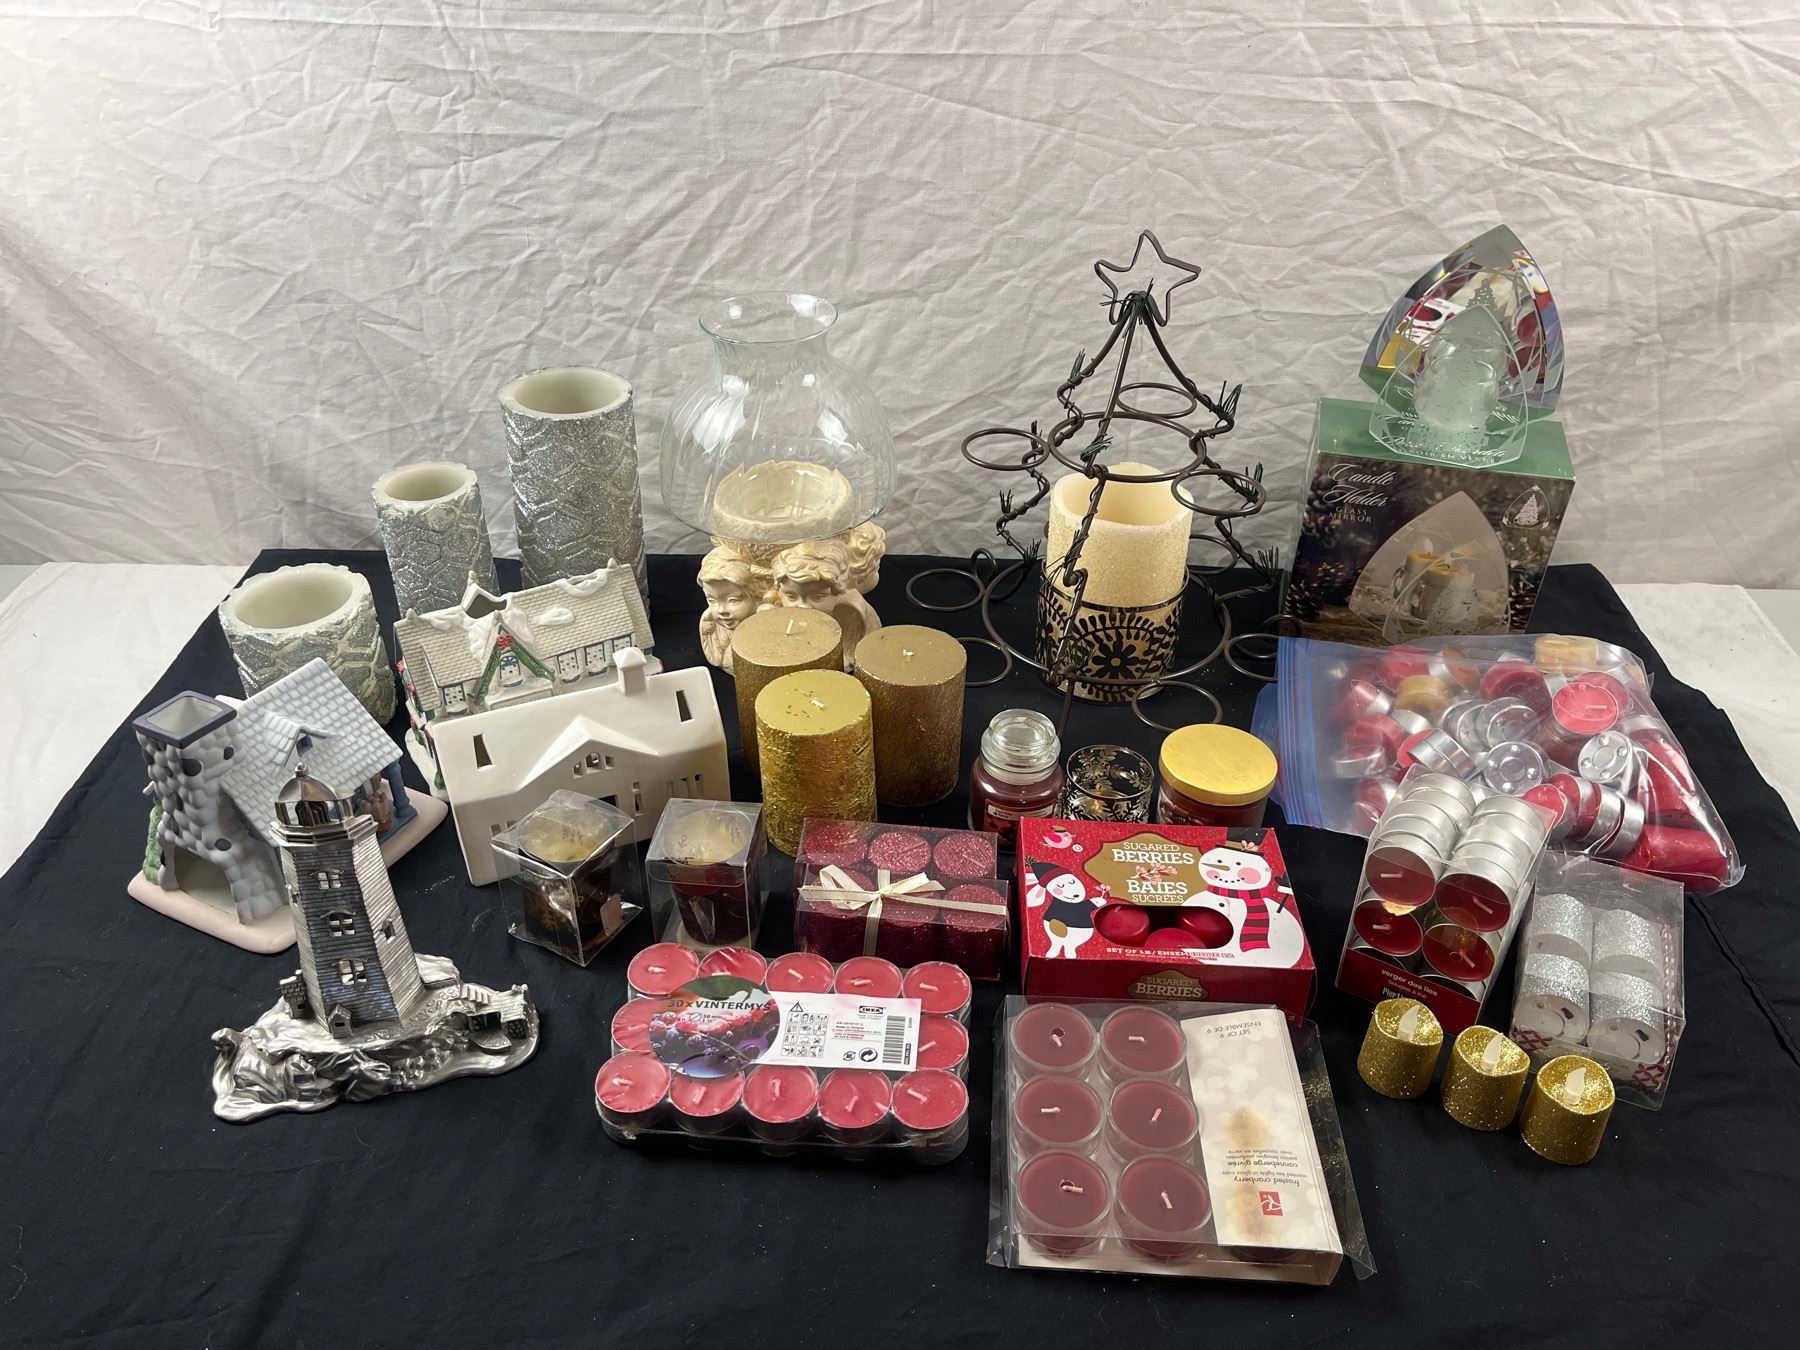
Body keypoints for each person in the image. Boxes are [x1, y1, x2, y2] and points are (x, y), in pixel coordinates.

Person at [697, 546, 763, 671]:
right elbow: (716, 658)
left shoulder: (767, 624)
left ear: (758, 596)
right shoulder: (711, 623)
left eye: (733, 600)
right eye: (712, 601)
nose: (721, 610)